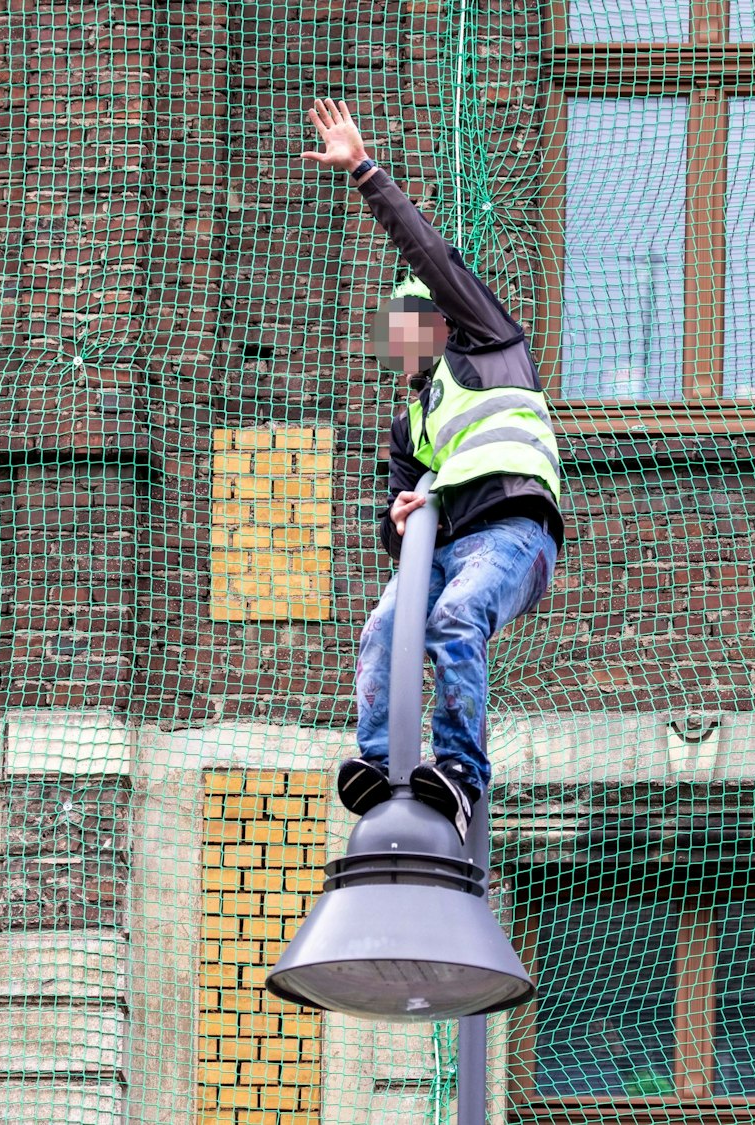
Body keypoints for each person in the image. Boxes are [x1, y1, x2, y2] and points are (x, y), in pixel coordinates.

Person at [301, 99, 566, 840]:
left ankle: (458, 770)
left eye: (415, 322)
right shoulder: (408, 421)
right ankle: (381, 762)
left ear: (444, 321)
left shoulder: (487, 341)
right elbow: (401, 520)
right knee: (385, 623)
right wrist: (396, 521)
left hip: (514, 529)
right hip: (447, 547)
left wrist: (363, 169)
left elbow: (428, 255)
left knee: (456, 617)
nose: (403, 339)